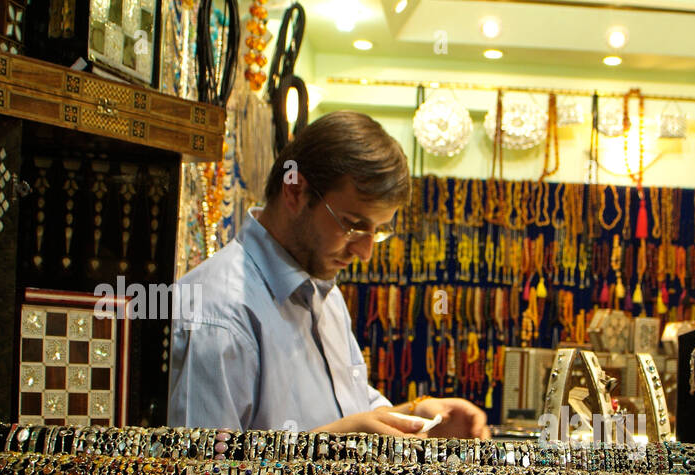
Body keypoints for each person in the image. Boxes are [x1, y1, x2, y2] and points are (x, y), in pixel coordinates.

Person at [168, 111, 488, 438]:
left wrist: (416, 415)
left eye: (377, 232)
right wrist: (331, 446)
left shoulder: (325, 295)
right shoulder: (216, 313)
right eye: (352, 225)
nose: (364, 252)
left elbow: (350, 411)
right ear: (294, 191)